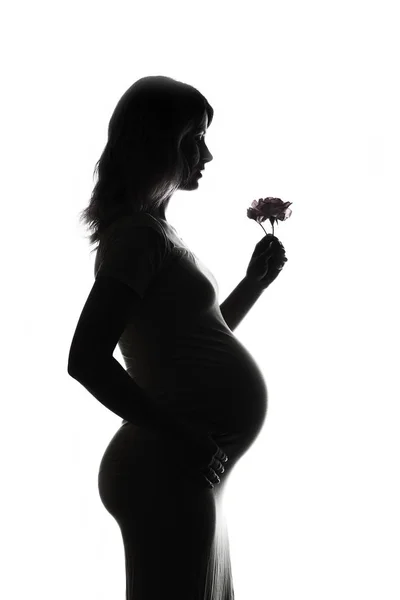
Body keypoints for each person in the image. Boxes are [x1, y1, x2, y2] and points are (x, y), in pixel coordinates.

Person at [67, 75, 287, 600]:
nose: (207, 154)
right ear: (155, 143)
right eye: (194, 139)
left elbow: (192, 344)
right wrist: (182, 436)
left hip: (187, 467)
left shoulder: (155, 232)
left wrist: (252, 285)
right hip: (168, 467)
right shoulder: (138, 238)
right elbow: (86, 359)